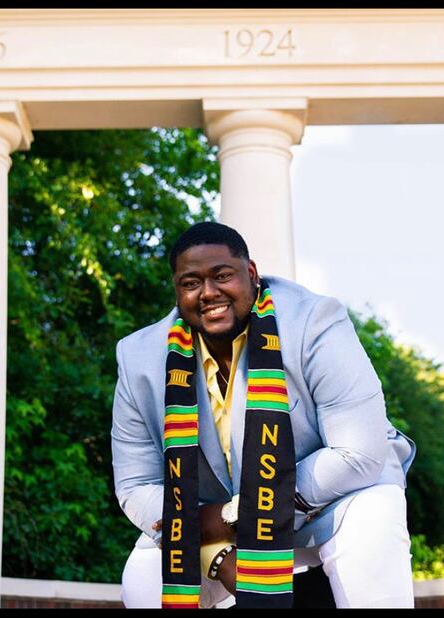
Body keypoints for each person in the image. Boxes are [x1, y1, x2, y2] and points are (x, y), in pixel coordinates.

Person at [111, 221, 417, 608]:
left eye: (222, 276)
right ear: (177, 289)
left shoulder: (315, 321)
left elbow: (360, 452)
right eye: (191, 283)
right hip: (212, 528)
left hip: (326, 502)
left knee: (374, 518)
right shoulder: (139, 358)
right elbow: (136, 486)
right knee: (144, 575)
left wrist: (232, 515)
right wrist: (216, 553)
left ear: (251, 274)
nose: (208, 293)